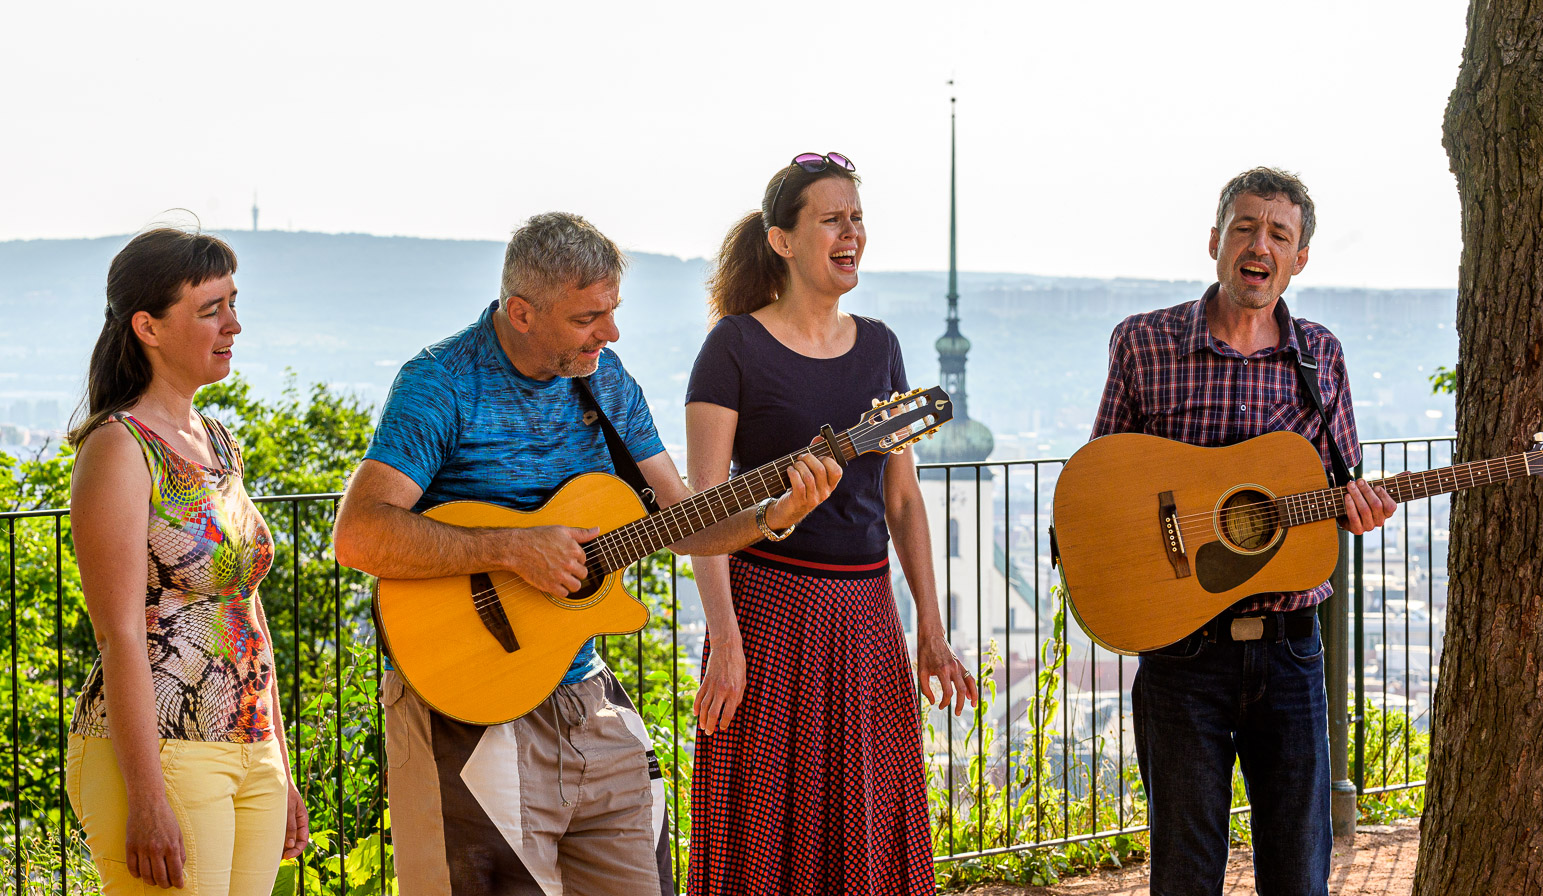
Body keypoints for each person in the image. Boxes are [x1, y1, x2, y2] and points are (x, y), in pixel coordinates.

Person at [330, 211, 840, 896]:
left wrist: (771, 516)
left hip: (583, 692)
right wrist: (513, 548)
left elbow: (680, 519)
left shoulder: (606, 380)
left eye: (612, 311)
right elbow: (360, 532)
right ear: (521, 312)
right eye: (586, 318)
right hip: (466, 702)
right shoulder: (440, 382)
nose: (610, 332)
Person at [1091, 167, 1397, 895]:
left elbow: (1334, 483)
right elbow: (1099, 492)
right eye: (1244, 227)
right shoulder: (1144, 344)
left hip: (1291, 653)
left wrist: (1358, 508)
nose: (1259, 245)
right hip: (1180, 655)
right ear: (1214, 241)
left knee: (1298, 874)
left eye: (1278, 234)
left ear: (1298, 260)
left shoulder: (1319, 356)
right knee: (1185, 875)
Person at [683, 152, 979, 896]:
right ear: (782, 240)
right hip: (765, 614)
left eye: (857, 219)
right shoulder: (732, 348)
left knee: (867, 825)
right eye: (831, 220)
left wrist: (930, 633)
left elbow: (903, 503)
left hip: (865, 615)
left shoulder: (879, 347)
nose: (850, 234)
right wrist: (724, 640)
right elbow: (703, 510)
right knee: (763, 829)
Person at [65, 228, 309, 894]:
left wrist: (278, 765)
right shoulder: (120, 448)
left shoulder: (215, 439)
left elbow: (242, 607)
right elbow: (119, 633)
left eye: (232, 303)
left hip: (246, 744)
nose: (234, 324)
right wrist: (145, 797)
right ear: (149, 326)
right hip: (164, 750)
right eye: (211, 309)